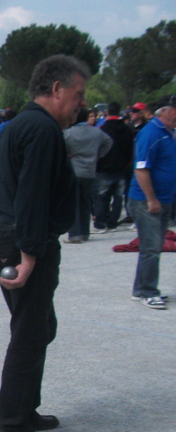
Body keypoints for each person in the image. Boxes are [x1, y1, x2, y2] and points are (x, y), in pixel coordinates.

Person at [0, 54, 89, 432]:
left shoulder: (21, 125)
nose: (81, 103)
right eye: (77, 95)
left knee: (39, 328)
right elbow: (30, 196)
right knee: (29, 333)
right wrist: (29, 255)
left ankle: (25, 409)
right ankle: (10, 424)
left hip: (16, 236)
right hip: (23, 239)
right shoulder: (42, 129)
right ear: (57, 89)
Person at [128, 95, 176, 310]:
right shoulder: (151, 134)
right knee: (151, 247)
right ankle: (148, 291)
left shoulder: (167, 134)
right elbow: (141, 168)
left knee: (153, 246)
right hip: (147, 201)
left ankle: (141, 288)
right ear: (164, 111)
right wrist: (151, 199)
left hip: (164, 198)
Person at [63, 108, 112, 243]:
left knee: (74, 203)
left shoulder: (68, 133)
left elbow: (60, 147)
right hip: (90, 170)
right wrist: (98, 155)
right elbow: (109, 142)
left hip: (74, 169)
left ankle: (75, 234)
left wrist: (68, 155)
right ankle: (85, 232)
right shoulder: (96, 132)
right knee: (86, 203)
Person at [93, 102, 135, 232]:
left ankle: (101, 223)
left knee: (102, 196)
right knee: (118, 197)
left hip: (105, 167)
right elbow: (131, 149)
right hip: (122, 167)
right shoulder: (127, 129)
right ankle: (113, 222)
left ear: (107, 113)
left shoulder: (102, 129)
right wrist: (127, 163)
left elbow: (97, 149)